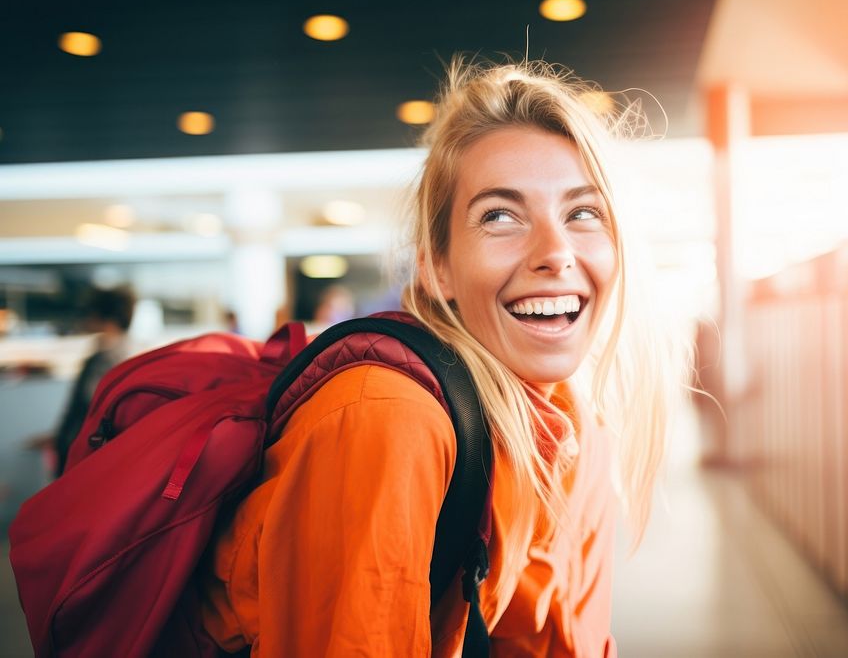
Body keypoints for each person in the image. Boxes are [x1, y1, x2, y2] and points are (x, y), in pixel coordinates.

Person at [200, 58, 674, 657]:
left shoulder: (575, 421)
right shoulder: (384, 418)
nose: (556, 252)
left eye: (584, 212)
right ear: (436, 266)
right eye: (500, 216)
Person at [52, 286, 135, 475]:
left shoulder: (108, 357)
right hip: (94, 454)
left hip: (86, 456)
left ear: (99, 315)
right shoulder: (126, 351)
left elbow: (94, 408)